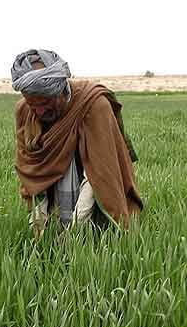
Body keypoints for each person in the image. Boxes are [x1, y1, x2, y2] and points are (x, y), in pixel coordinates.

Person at [10, 49, 143, 237]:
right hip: (54, 189)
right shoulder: (24, 110)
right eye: (33, 105)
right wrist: (38, 227)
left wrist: (74, 230)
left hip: (91, 184)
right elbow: (32, 168)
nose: (39, 112)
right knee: (49, 231)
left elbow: (100, 171)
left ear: (60, 90)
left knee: (100, 232)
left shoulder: (94, 104)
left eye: (45, 103)